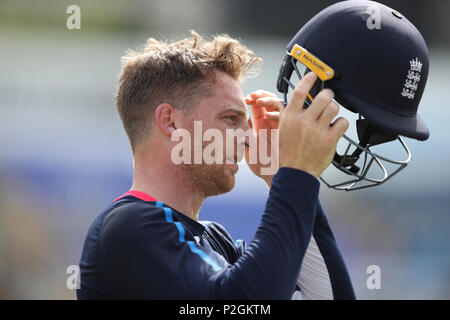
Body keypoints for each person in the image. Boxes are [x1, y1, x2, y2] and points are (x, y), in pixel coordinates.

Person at [77, 31, 355, 299]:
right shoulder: (131, 225)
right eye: (231, 119)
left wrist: (281, 172)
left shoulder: (214, 238)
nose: (249, 137)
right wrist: (296, 173)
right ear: (170, 122)